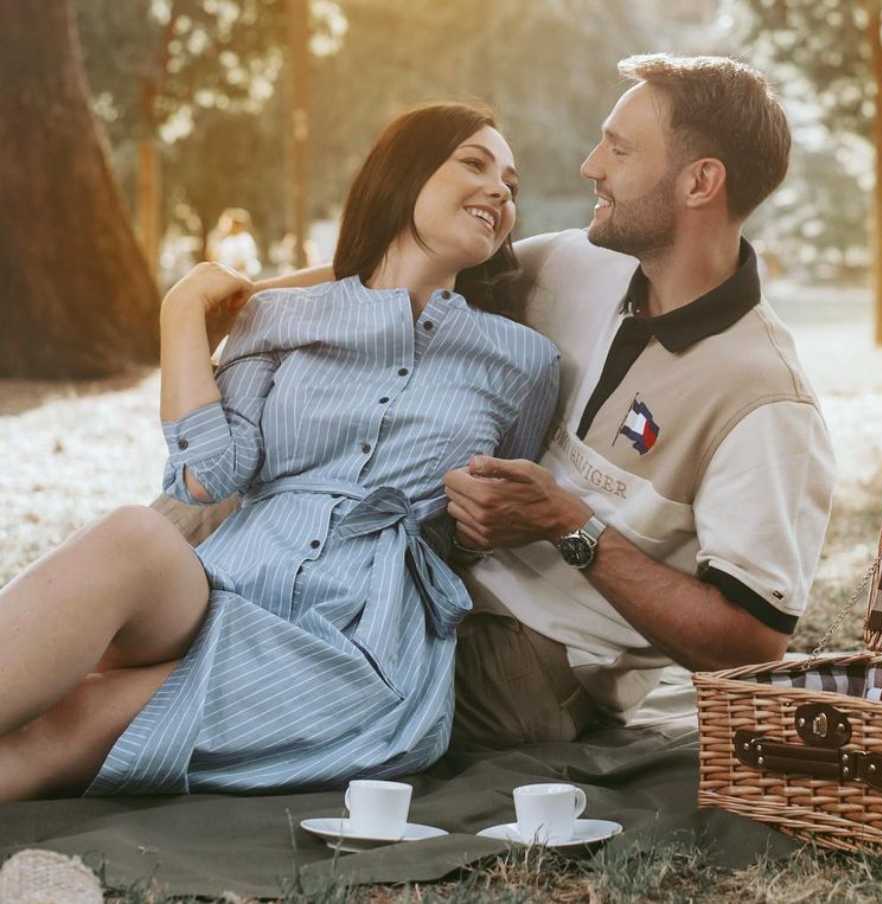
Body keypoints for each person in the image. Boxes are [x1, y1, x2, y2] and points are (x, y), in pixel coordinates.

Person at [251, 55, 837, 749]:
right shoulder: (573, 265)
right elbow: (411, 262)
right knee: (218, 526)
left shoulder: (766, 401)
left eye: (619, 150)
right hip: (418, 575)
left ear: (700, 182)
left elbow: (750, 646)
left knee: (250, 645)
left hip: (531, 666)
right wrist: (236, 298)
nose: (592, 166)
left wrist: (571, 525)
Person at [0, 102, 558, 800]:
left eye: (510, 181)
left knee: (71, 719)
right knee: (132, 534)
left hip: (357, 645)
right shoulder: (281, 319)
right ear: (403, 174)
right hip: (229, 584)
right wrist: (180, 311)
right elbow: (206, 477)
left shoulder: (524, 362)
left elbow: (487, 528)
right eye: (474, 163)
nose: (500, 190)